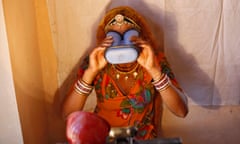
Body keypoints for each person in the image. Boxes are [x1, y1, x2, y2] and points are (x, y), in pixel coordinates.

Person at [62, 6, 188, 140]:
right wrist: (90, 72)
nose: (121, 44)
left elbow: (181, 111)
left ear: (141, 36)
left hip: (142, 140)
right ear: (105, 39)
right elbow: (66, 114)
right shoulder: (95, 60)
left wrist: (155, 72)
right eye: (114, 37)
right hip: (104, 138)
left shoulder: (154, 60)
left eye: (128, 35)